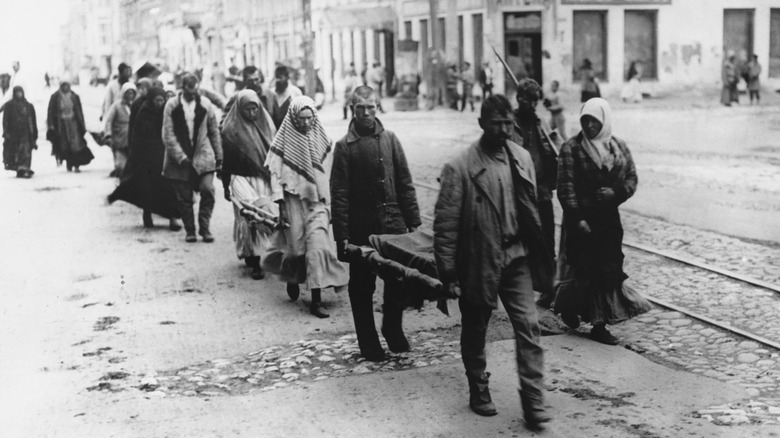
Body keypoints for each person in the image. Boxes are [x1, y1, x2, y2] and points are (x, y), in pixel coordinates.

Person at [433, 94, 553, 430]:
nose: (503, 129)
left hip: (516, 258)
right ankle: (478, 386)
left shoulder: (522, 158)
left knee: (529, 327)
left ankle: (533, 401)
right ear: (481, 124)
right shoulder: (460, 168)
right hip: (480, 259)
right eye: (496, 123)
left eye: (507, 122)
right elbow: (445, 226)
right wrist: (449, 274)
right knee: (476, 326)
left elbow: (533, 207)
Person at [331, 85, 421, 360]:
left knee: (397, 279)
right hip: (362, 229)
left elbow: (405, 183)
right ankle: (368, 343)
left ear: (378, 106)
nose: (366, 113)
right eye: (361, 107)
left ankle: (392, 328)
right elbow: (340, 194)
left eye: (371, 106)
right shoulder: (344, 147)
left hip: (393, 224)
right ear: (352, 109)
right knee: (361, 286)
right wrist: (342, 235)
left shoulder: (391, 140)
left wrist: (413, 222)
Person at [554, 97, 652, 345]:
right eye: (585, 121)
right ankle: (577, 312)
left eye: (594, 121)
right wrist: (577, 219)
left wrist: (616, 194)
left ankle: (599, 322)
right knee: (583, 271)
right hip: (583, 221)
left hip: (608, 222)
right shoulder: (571, 148)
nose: (589, 126)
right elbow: (565, 188)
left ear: (604, 121)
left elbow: (631, 177)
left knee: (606, 272)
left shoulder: (617, 147)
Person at [262, 96, 348, 318]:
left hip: (317, 201)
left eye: (310, 118)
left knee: (318, 247)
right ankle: (292, 276)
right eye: (301, 119)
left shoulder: (322, 139)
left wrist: (332, 200)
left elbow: (331, 172)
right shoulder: (282, 142)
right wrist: (280, 205)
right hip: (293, 202)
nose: (306, 123)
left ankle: (316, 300)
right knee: (297, 250)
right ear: (293, 118)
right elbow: (276, 176)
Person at [511, 78, 560, 308]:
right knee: (522, 243)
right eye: (527, 99)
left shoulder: (541, 123)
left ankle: (548, 289)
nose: (531, 104)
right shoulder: (510, 124)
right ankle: (522, 290)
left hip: (542, 193)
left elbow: (554, 149)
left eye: (535, 100)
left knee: (546, 242)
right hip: (519, 195)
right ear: (518, 98)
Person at [221, 90, 277, 280]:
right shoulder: (230, 130)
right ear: (239, 109)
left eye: (255, 108)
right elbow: (226, 163)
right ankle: (254, 260)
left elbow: (276, 157)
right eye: (247, 109)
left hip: (263, 177)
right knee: (249, 214)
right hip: (240, 178)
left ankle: (265, 254)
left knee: (265, 214)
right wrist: (226, 186)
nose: (252, 113)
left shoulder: (267, 126)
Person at [108, 88, 182, 230]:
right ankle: (147, 214)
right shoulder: (144, 113)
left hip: (164, 157)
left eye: (162, 100)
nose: (160, 103)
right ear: (151, 100)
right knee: (148, 189)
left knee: (169, 189)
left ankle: (173, 218)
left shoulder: (167, 113)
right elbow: (137, 137)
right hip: (148, 159)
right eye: (157, 100)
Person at [162, 73, 223, 243]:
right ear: (182, 89)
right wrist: (180, 157)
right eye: (189, 92)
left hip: (203, 155)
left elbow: (213, 132)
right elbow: (168, 134)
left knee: (207, 189)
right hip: (179, 159)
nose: (192, 95)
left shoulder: (205, 104)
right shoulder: (171, 106)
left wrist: (219, 157)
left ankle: (205, 227)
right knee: (184, 197)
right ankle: (190, 230)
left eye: (195, 91)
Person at [47, 80, 93, 172]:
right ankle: (69, 163)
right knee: (65, 145)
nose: (65, 87)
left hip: (73, 124)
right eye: (63, 85)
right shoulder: (55, 97)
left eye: (67, 85)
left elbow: (79, 111)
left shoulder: (74, 96)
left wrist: (82, 124)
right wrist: (51, 125)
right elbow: (50, 112)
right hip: (62, 125)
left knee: (76, 144)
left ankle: (76, 164)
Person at [103, 82, 137, 178]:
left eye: (132, 93)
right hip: (119, 140)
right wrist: (108, 134)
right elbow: (109, 121)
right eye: (128, 93)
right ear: (123, 93)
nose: (130, 96)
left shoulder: (136, 105)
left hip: (132, 141)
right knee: (120, 166)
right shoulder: (117, 106)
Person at [2, 86, 37, 177]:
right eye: (17, 92)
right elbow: (5, 120)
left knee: (26, 150)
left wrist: (34, 134)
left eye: (20, 92)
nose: (19, 94)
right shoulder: (9, 105)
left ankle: (25, 168)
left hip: (26, 132)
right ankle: (19, 169)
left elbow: (32, 120)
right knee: (16, 151)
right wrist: (6, 132)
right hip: (14, 133)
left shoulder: (28, 105)